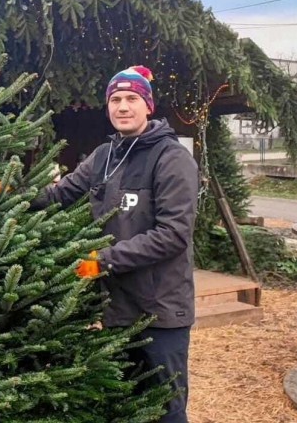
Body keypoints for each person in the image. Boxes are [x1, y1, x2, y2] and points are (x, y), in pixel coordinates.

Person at [33, 65, 198, 423]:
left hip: (161, 309)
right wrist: (13, 194)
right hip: (117, 307)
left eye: (132, 99)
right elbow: (61, 193)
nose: (123, 106)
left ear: (148, 106)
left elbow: (173, 235)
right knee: (125, 401)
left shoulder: (171, 158)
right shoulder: (103, 156)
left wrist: (101, 260)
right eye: (116, 99)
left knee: (164, 406)